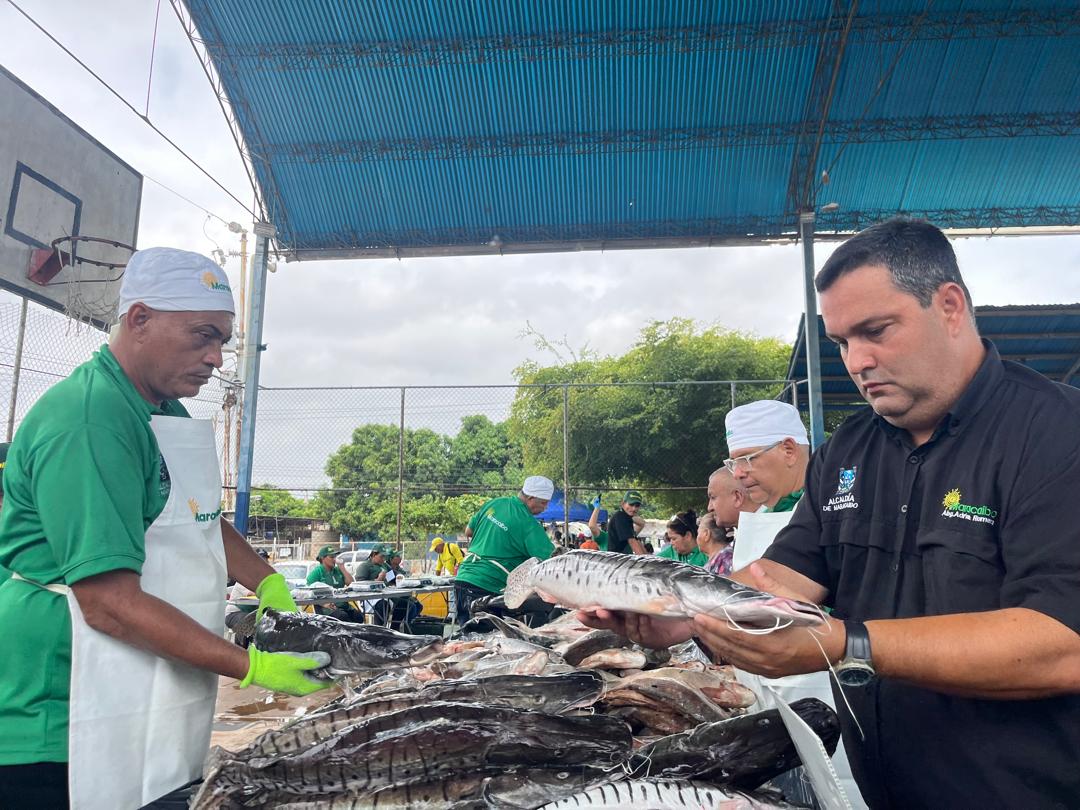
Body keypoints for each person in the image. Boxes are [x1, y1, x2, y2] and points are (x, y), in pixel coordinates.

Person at [580, 218, 1080, 808]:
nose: (857, 360)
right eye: (842, 341)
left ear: (949, 306)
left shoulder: (1055, 435)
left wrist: (849, 645)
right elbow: (787, 574)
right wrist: (686, 617)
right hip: (885, 789)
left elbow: (1062, 642)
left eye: (876, 331)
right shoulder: (850, 449)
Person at [0, 248, 329, 810]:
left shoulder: (160, 409)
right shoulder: (90, 419)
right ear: (140, 319)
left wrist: (269, 585)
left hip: (135, 669)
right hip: (59, 698)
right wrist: (253, 666)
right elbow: (107, 603)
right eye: (202, 335)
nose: (215, 358)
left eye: (223, 340)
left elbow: (201, 517)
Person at [455, 475, 556, 623]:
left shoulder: (495, 504)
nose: (545, 507)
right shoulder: (528, 524)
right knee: (485, 642)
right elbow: (553, 561)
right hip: (487, 587)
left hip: (463, 580)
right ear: (531, 498)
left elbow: (468, 531)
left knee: (468, 638)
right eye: (543, 503)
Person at [307, 545, 364, 623]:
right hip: (327, 608)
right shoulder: (316, 573)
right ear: (323, 558)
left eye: (335, 556)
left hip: (343, 605)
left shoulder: (338, 570)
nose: (334, 559)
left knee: (358, 616)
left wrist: (342, 567)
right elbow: (309, 593)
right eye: (331, 557)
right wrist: (324, 603)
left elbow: (351, 584)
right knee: (342, 616)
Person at [605, 490, 646, 554]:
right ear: (623, 503)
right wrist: (646, 561)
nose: (634, 508)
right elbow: (632, 542)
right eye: (631, 504)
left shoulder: (627, 518)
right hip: (616, 560)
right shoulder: (620, 517)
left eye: (637, 506)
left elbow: (636, 540)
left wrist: (648, 557)